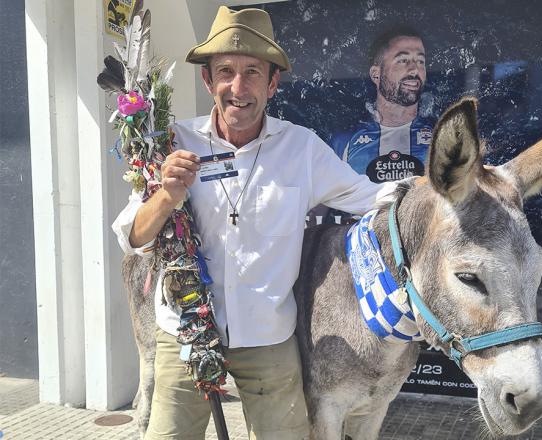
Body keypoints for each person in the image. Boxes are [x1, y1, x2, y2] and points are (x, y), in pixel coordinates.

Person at [112, 6, 394, 440]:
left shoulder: (301, 148)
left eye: (252, 72)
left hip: (268, 337)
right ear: (208, 81)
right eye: (225, 71)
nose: (237, 87)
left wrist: (455, 188)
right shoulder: (171, 143)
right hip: (184, 333)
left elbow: (371, 196)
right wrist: (167, 194)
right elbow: (132, 237)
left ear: (272, 83)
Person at [331, 26, 434, 182]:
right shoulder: (345, 141)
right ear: (375, 74)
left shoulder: (441, 139)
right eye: (403, 60)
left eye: (421, 61)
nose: (414, 70)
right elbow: (320, 201)